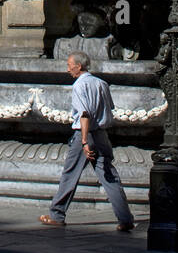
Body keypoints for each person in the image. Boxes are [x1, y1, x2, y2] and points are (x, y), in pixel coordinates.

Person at [39, 52, 135, 230]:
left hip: (85, 134)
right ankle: (125, 219)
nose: (67, 69)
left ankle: (57, 214)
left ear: (79, 66)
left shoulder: (78, 86)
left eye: (69, 65)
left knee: (70, 174)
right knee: (109, 176)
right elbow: (109, 108)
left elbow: (84, 114)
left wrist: (83, 141)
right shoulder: (101, 83)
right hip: (101, 134)